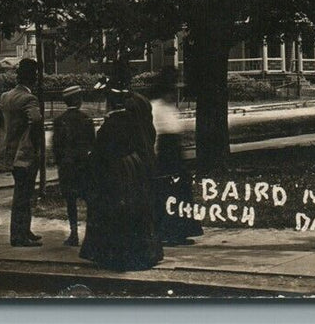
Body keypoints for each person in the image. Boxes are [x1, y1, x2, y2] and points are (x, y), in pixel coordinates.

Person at [79, 88, 164, 271]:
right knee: (138, 212)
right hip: (137, 172)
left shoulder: (114, 123)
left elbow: (100, 150)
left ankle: (113, 254)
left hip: (116, 173)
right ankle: (143, 252)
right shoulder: (144, 126)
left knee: (113, 212)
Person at [0, 58, 45, 247]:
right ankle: (18, 235)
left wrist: (7, 132)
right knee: (24, 194)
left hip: (11, 153)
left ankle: (24, 230)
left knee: (23, 192)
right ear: (33, 77)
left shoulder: (6, 96)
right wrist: (33, 142)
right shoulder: (29, 98)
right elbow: (36, 120)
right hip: (25, 154)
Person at [151, 67, 203, 245]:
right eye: (170, 91)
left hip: (176, 158)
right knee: (166, 195)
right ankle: (166, 233)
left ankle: (181, 232)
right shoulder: (155, 107)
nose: (173, 94)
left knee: (181, 194)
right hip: (164, 160)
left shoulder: (171, 108)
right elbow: (154, 137)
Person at [51, 83, 95, 246]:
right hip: (84, 166)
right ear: (78, 100)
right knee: (89, 200)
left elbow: (56, 146)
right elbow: (92, 144)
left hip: (67, 167)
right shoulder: (86, 119)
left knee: (71, 201)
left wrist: (60, 163)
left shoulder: (59, 121)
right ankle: (90, 234)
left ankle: (74, 233)